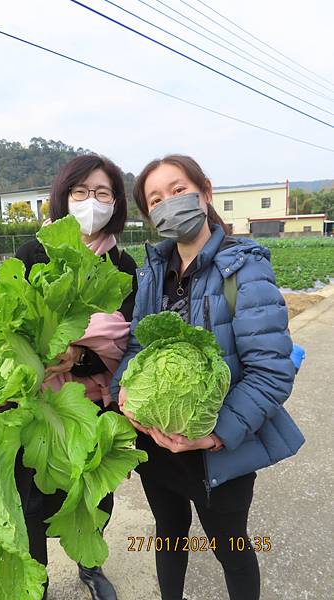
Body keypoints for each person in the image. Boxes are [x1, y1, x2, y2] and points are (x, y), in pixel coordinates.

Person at [111, 155, 305, 600]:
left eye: (178, 190)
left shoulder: (244, 270)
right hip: (157, 443)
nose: (168, 204)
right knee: (169, 533)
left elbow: (270, 373)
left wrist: (212, 435)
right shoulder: (154, 272)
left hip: (218, 450)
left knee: (231, 547)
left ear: (206, 191)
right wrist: (124, 392)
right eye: (155, 199)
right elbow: (140, 346)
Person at [14, 154, 138, 600]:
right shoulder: (33, 254)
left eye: (102, 193)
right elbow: (14, 325)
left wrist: (78, 352)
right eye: (80, 192)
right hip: (39, 400)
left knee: (94, 489)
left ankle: (91, 565)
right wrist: (48, 351)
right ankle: (38, 581)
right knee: (33, 497)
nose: (91, 202)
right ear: (63, 198)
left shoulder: (122, 265)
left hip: (94, 397)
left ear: (116, 202)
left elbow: (125, 335)